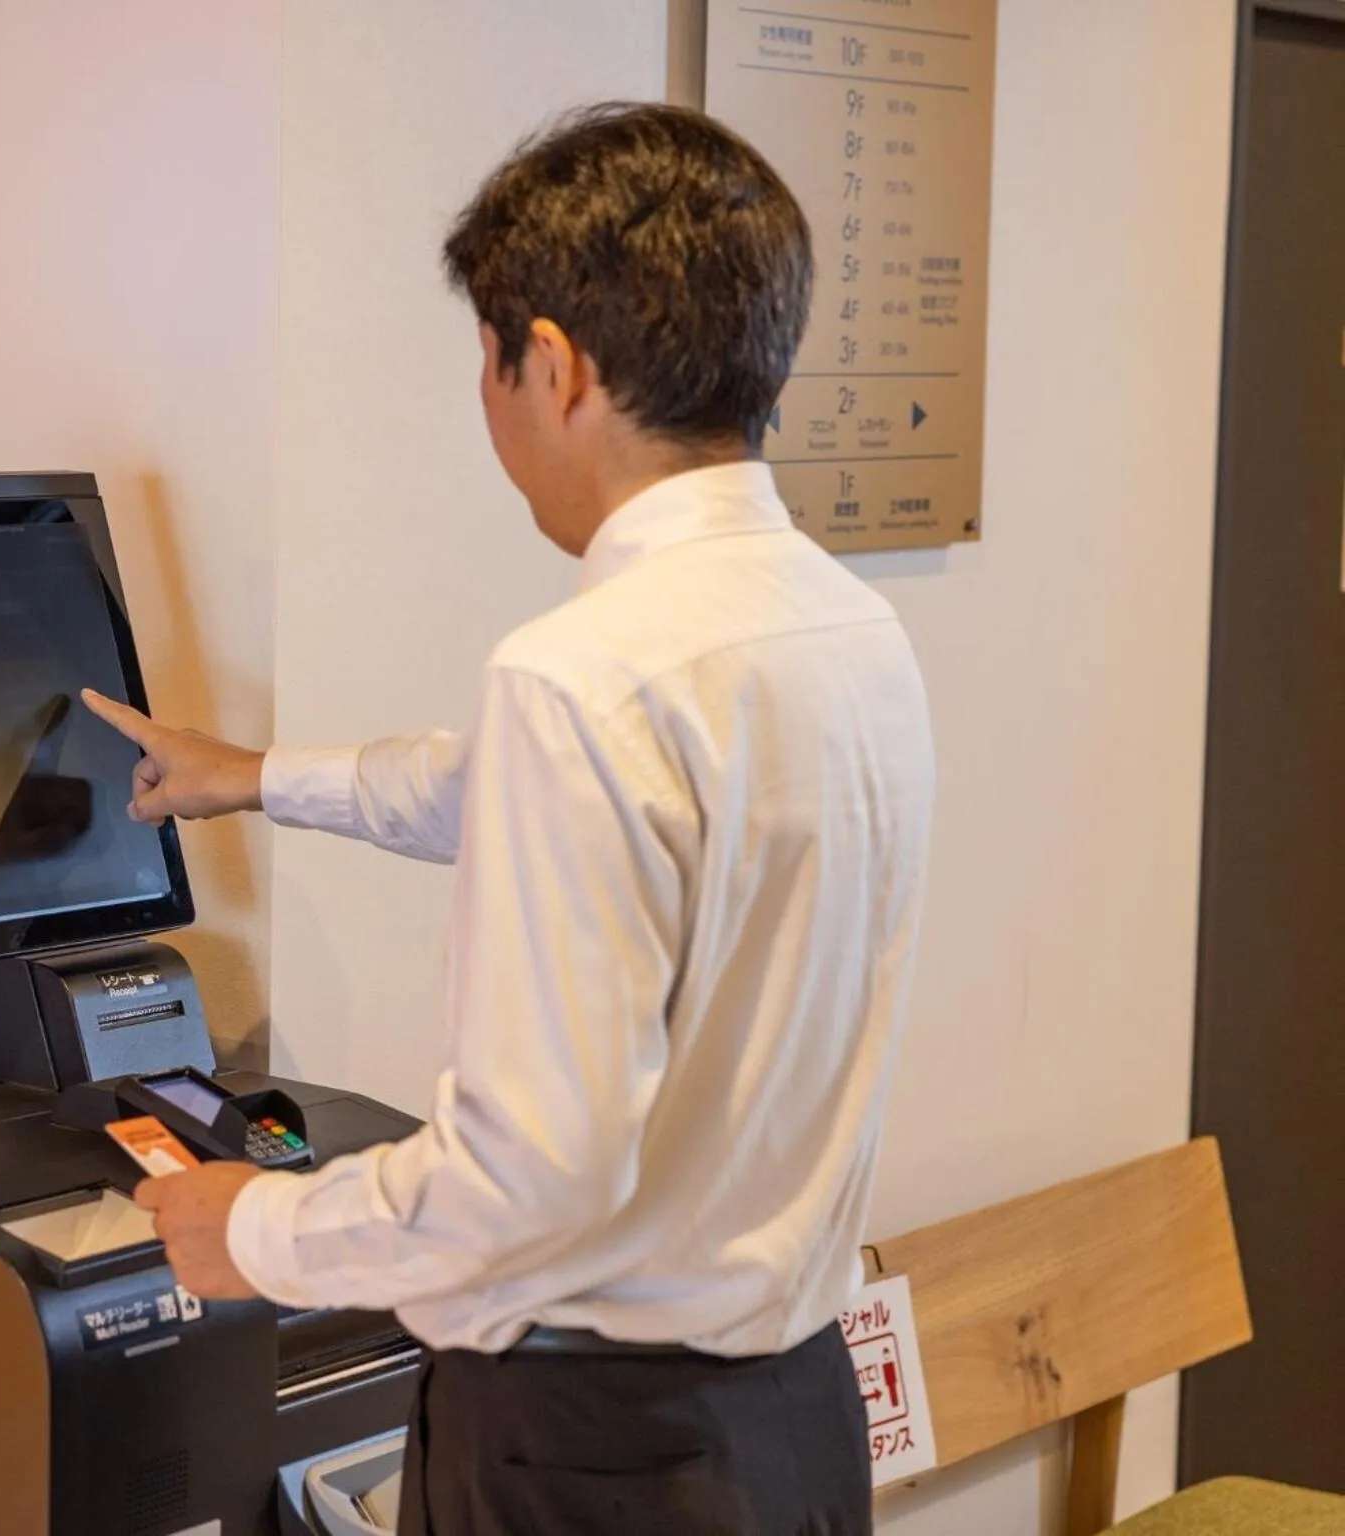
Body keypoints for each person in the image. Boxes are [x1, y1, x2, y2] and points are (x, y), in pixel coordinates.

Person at [83, 103, 936, 1535]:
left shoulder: (581, 679)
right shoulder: (847, 634)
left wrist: (258, 1228)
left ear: (552, 363)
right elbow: (500, 791)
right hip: (790, 1422)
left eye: (486, 361)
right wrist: (253, 774)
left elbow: (527, 1178)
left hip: (589, 1450)